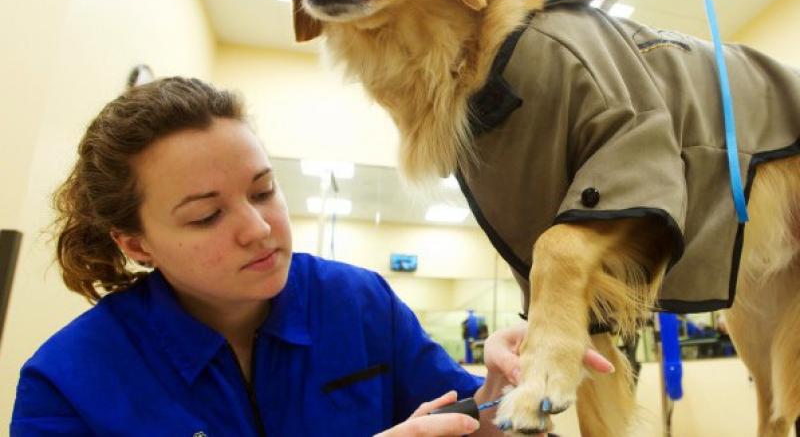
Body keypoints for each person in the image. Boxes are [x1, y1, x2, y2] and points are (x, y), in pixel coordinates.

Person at [11, 77, 613, 436]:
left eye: (263, 190)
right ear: (135, 243)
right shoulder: (68, 383)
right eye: (206, 215)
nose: (259, 228)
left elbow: (465, 418)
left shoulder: (357, 303)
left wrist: (500, 396)